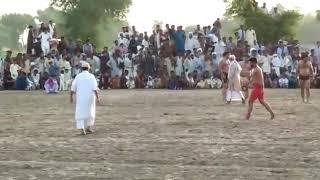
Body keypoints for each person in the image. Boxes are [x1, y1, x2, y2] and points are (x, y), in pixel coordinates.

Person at [70, 62, 100, 135]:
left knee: (80, 112)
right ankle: (89, 127)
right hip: (90, 97)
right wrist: (98, 97)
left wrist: (71, 97)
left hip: (81, 97)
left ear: (81, 69)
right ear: (89, 68)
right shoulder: (91, 76)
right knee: (91, 111)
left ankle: (82, 129)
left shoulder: (78, 76)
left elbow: (73, 87)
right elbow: (95, 88)